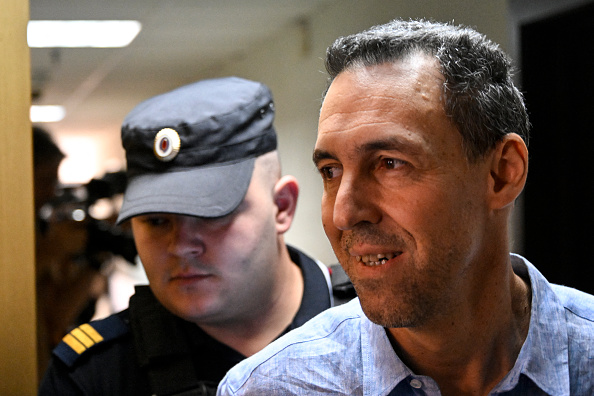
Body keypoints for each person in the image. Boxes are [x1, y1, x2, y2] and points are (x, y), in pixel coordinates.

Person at [217, 19, 594, 396]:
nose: (343, 214)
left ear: (501, 174)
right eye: (330, 171)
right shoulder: (272, 387)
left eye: (389, 163)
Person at [38, 77, 334, 395]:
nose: (180, 246)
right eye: (156, 220)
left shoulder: (378, 328)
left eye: (212, 215)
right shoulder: (94, 375)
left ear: (281, 207)